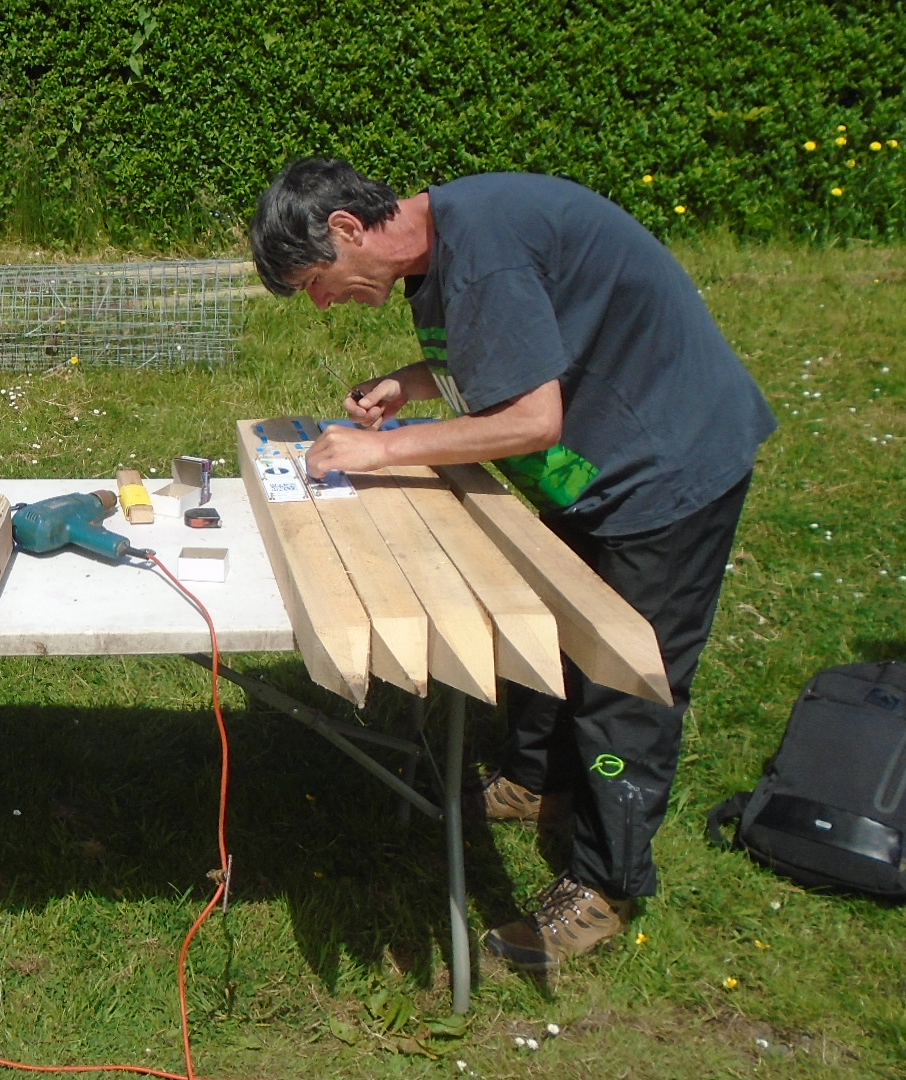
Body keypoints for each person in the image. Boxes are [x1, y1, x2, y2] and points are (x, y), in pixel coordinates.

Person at [248, 160, 776, 975]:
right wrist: (409, 383)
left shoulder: (485, 247)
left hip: (667, 466)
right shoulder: (447, 244)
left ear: (348, 229)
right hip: (596, 469)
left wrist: (383, 448)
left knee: (624, 679)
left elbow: (531, 419)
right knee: (551, 632)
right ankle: (534, 781)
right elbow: (507, 348)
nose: (323, 304)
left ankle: (606, 882)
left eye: (317, 281)